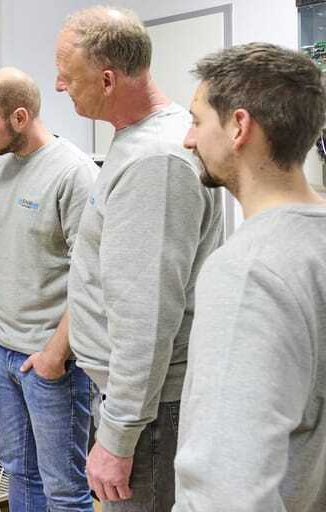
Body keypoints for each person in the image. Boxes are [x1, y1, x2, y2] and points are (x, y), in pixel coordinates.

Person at [54, 7, 224, 510]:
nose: (60, 86)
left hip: (148, 411)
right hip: (132, 399)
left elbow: (146, 318)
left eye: (67, 75)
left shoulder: (156, 161)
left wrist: (119, 434)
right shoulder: (137, 140)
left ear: (107, 79)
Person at [174, 43, 326, 512]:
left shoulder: (249, 272)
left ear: (239, 126)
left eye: (197, 121)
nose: (188, 139)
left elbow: (228, 489)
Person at [0, 67, 98, 511]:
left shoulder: (75, 174)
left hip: (52, 363)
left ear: (19, 117)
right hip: (3, 352)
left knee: (63, 488)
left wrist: (54, 354)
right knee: (20, 473)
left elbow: (92, 277)